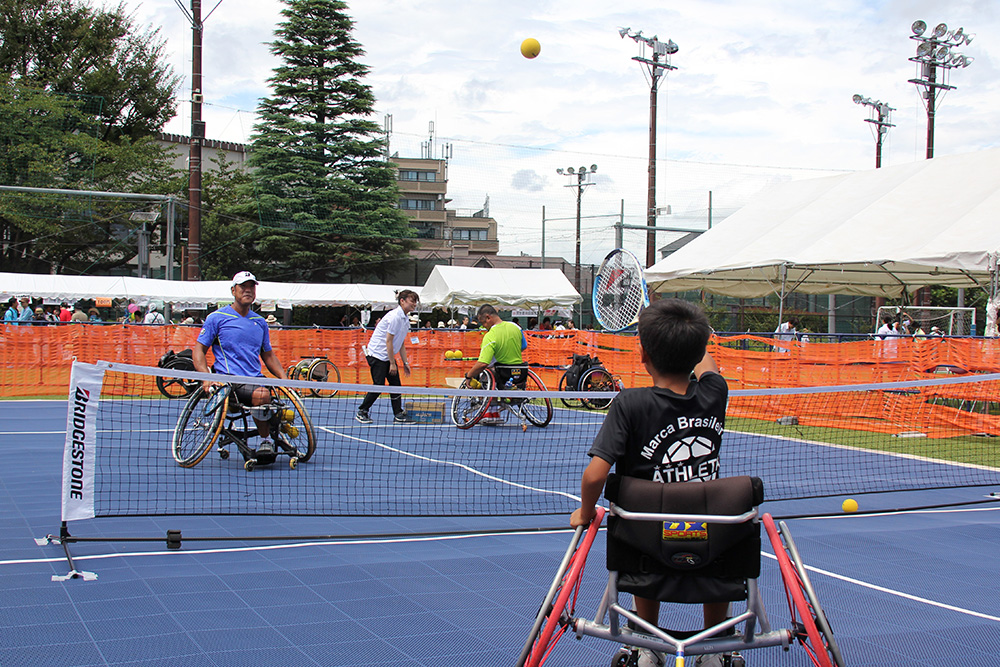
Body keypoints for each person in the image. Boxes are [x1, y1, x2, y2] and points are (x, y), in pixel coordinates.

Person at [570, 298, 729, 667]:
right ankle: (714, 649)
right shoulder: (714, 394)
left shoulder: (630, 403)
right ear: (699, 348)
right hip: (709, 533)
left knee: (645, 539)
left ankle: (647, 642)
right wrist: (695, 334)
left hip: (647, 541)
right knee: (718, 552)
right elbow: (707, 364)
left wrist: (585, 510)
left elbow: (595, 474)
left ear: (643, 356)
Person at [192, 271, 288, 458]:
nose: (248, 290)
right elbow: (199, 350)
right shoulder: (216, 318)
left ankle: (274, 430)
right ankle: (265, 440)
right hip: (229, 381)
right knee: (262, 395)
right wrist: (205, 377)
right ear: (233, 290)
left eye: (251, 286)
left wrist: (285, 380)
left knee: (273, 396)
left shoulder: (260, 322)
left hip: (255, 379)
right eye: (243, 286)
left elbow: (268, 355)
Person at [355, 289, 419, 425]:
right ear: (402, 301)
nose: (414, 304)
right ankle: (362, 411)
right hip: (377, 355)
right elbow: (388, 341)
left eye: (415, 302)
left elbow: (400, 342)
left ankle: (398, 414)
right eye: (412, 301)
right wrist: (392, 363)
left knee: (396, 385)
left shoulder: (405, 319)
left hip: (386, 356)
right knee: (378, 385)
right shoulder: (395, 317)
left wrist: (405, 362)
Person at [464, 304, 527, 388]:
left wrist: (469, 375)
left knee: (481, 373)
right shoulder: (516, 327)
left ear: (488, 318)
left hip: (500, 373)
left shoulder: (490, 335)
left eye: (483, 323)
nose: (484, 327)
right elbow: (524, 346)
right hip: (519, 371)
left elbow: (483, 363)